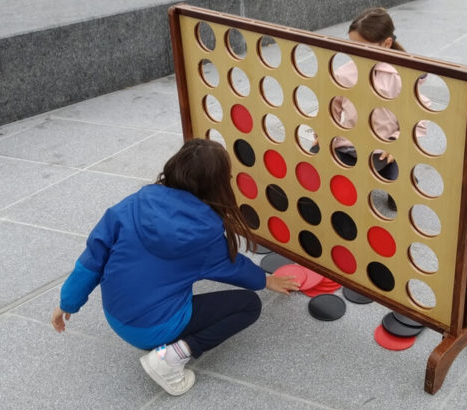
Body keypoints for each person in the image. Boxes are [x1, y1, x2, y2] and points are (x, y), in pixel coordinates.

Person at [51, 139, 300, 396]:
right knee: (249, 305)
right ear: (218, 186)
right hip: (151, 329)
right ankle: (171, 358)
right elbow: (232, 267)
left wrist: (67, 302)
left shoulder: (131, 204)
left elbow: (92, 259)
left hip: (116, 315)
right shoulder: (204, 233)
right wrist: (265, 281)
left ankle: (163, 339)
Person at [325, 7, 430, 179]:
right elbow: (331, 107)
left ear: (387, 44)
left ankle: (396, 168)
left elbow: (419, 116)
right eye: (352, 46)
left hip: (382, 149)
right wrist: (322, 134)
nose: (355, 53)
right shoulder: (343, 74)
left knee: (384, 185)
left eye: (363, 47)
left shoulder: (399, 78)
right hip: (347, 144)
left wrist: (397, 142)